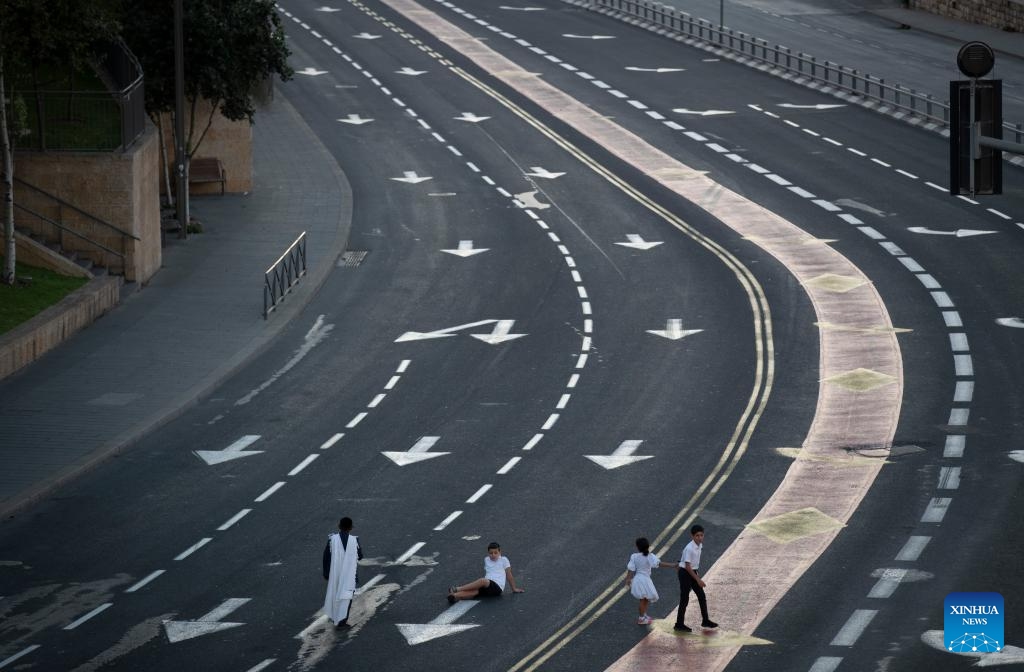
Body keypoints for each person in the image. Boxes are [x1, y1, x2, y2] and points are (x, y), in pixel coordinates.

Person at [447, 541, 524, 603]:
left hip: (497, 588)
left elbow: (509, 575)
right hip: (487, 585)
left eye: (495, 553)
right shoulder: (486, 559)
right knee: (475, 591)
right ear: (488, 553)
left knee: (483, 581)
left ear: (500, 552)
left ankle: (457, 589)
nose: (493, 555)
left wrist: (514, 589)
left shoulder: (504, 560)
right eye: (491, 553)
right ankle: (454, 596)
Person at [674, 524, 718, 632]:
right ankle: (679, 624)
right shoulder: (689, 548)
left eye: (701, 535)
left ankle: (705, 620)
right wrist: (698, 579)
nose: (700, 537)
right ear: (692, 536)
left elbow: (693, 566)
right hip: (685, 573)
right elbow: (688, 566)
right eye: (697, 535)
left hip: (692, 572)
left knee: (701, 596)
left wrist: (697, 575)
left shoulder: (699, 545)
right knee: (684, 598)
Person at [625, 536, 677, 625]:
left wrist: (628, 578)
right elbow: (659, 564)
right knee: (643, 599)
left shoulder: (634, 556)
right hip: (644, 579)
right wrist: (673, 565)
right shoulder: (650, 556)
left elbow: (631, 569)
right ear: (648, 546)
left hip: (638, 579)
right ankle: (641, 618)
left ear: (638, 547)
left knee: (645, 598)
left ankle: (644, 615)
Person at [323, 516, 363, 628]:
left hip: (335, 573)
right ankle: (342, 621)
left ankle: (335, 616)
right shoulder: (354, 540)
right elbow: (360, 556)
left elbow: (326, 556)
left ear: (339, 526)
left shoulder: (332, 539)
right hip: (350, 575)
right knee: (346, 596)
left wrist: (326, 573)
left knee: (335, 593)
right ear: (350, 528)